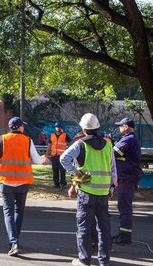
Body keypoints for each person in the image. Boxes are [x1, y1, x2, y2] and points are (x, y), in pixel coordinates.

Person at [0, 117, 49, 257]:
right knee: (19, 211)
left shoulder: (1, 139)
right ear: (19, 127)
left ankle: (14, 241)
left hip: (6, 183)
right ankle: (15, 241)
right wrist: (44, 159)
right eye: (22, 126)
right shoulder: (27, 140)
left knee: (8, 212)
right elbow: (37, 160)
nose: (23, 128)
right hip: (23, 183)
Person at [60, 113, 117, 266]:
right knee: (103, 228)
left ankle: (84, 261)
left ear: (84, 129)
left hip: (86, 191)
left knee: (84, 227)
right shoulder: (109, 145)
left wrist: (76, 173)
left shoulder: (80, 144)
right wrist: (111, 187)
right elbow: (113, 170)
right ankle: (104, 261)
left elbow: (63, 158)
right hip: (103, 193)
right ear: (98, 128)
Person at [112, 118, 143, 246]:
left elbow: (113, 153)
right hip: (127, 177)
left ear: (125, 127)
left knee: (124, 207)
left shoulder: (128, 139)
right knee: (124, 206)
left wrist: (105, 144)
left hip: (127, 177)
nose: (119, 129)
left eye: (120, 126)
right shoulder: (130, 139)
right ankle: (123, 234)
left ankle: (125, 237)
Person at [46, 122, 71, 188]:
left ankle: (63, 183)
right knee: (55, 170)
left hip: (62, 156)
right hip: (54, 156)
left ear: (61, 128)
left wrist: (69, 153)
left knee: (62, 170)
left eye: (59, 127)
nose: (58, 128)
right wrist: (47, 154)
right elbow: (49, 146)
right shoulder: (52, 136)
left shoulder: (65, 135)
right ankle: (56, 183)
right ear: (55, 128)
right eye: (57, 127)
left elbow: (71, 144)